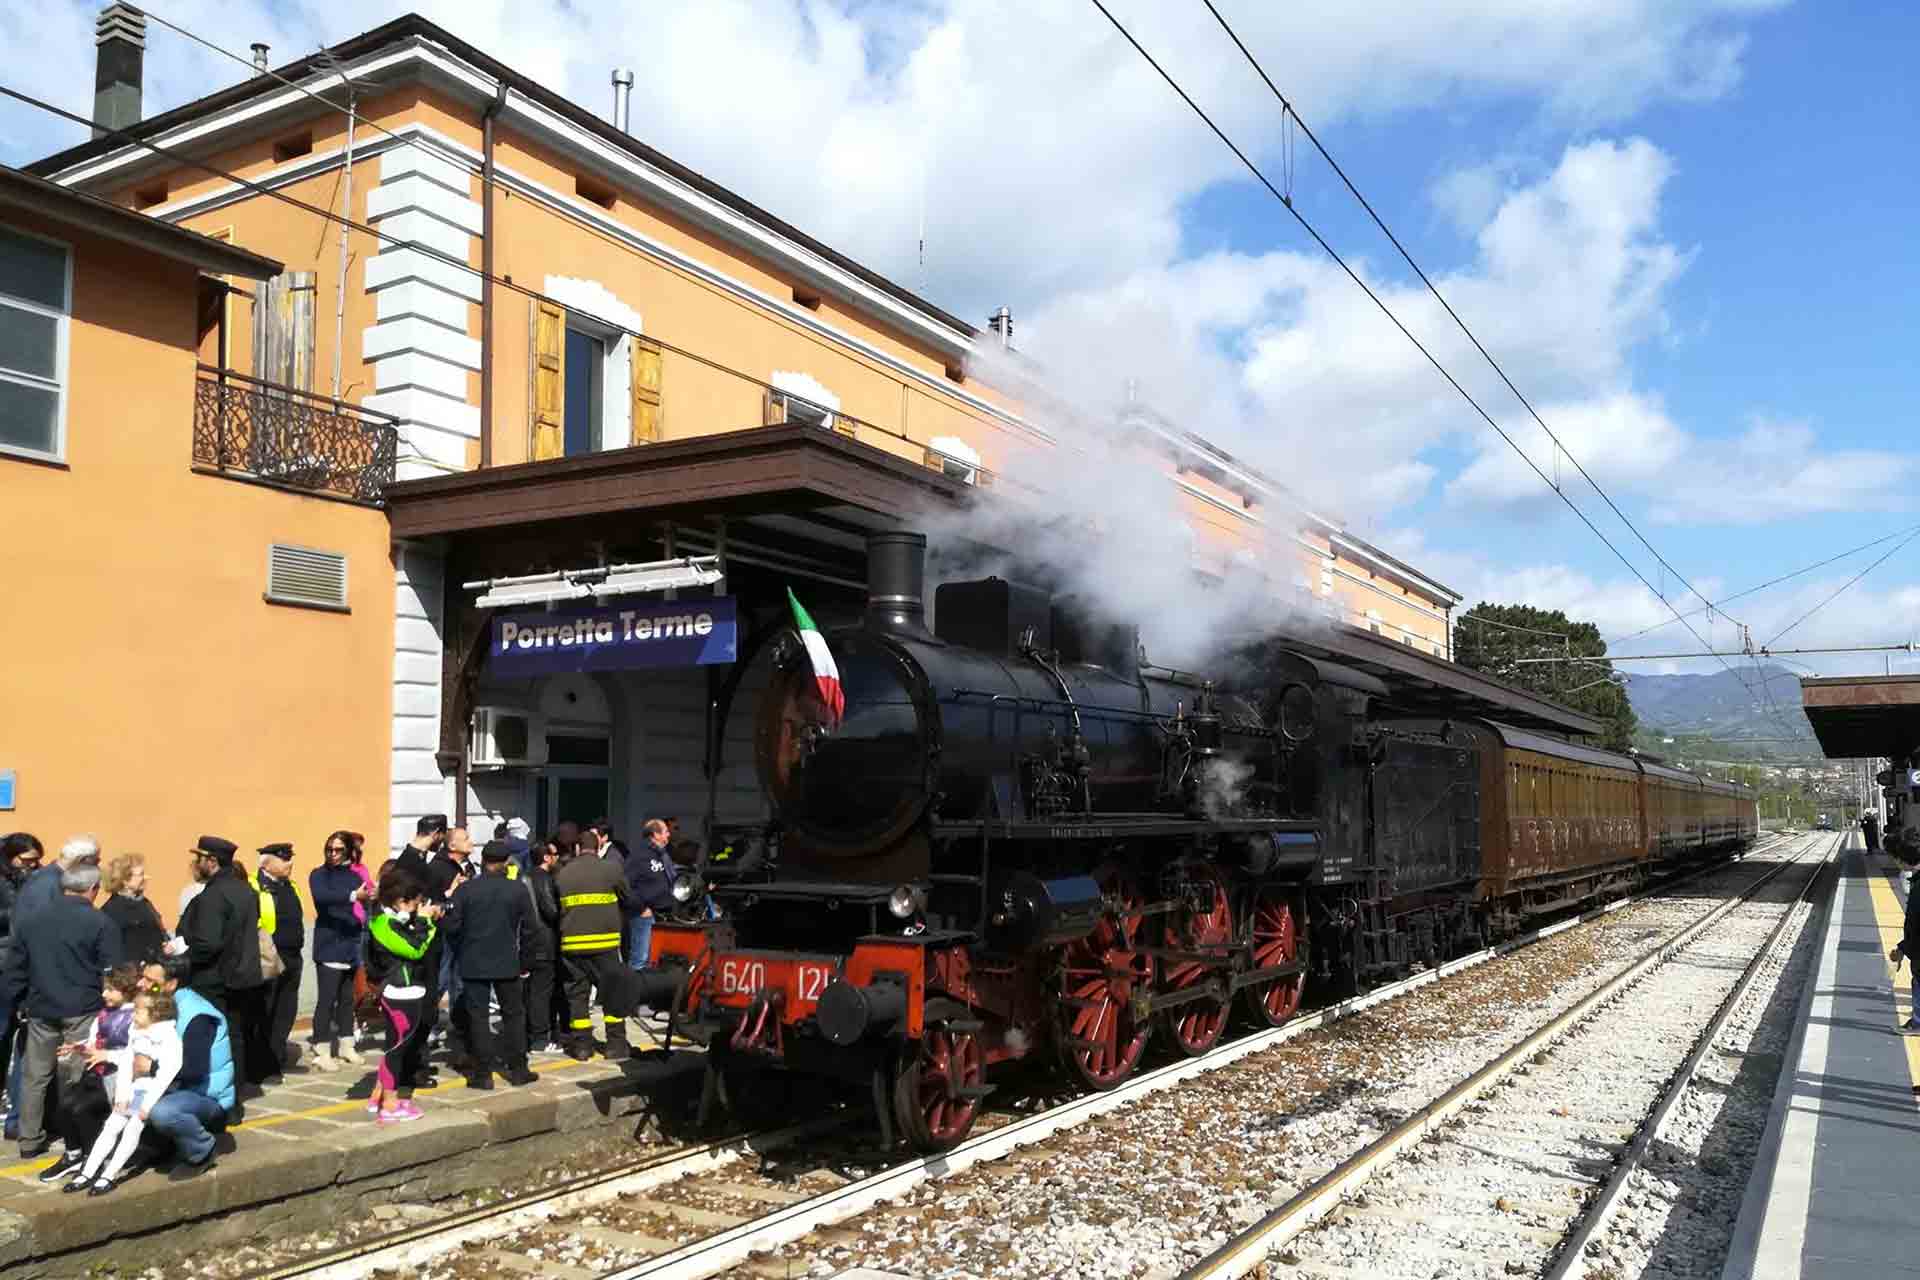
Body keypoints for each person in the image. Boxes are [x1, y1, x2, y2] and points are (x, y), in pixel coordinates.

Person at [6, 863, 121, 1159]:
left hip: (41, 1006)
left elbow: (15, 969)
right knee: (78, 1073)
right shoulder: (100, 922)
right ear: (93, 889)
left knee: (35, 1075)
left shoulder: (32, 921)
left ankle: (29, 1139)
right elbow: (113, 971)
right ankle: (80, 1136)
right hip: (82, 1007)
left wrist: (16, 1002)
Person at [64, 987, 180, 1196]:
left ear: (155, 1014)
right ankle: (88, 1171)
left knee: (132, 1128)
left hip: (154, 1090)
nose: (133, 1015)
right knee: (111, 1125)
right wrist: (122, 1095)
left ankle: (109, 1174)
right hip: (136, 1087)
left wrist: (147, 1105)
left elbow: (167, 1073)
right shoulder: (135, 1032)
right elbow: (127, 1063)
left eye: (138, 1011)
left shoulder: (168, 1037)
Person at [171, 836, 264, 1090]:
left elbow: (208, 944)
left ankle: (222, 1098)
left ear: (211, 861)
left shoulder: (212, 896)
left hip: (214, 979)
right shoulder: (246, 891)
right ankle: (236, 1090)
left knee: (216, 1039)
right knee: (235, 1036)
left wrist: (180, 958)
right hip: (242, 976)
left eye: (199, 858)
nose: (195, 863)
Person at [445, 841, 537, 1089]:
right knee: (514, 1015)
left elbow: (451, 927)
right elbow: (530, 929)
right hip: (508, 961)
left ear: (483, 860)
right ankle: (518, 1069)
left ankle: (483, 1073)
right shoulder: (517, 890)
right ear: (506, 862)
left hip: (474, 961)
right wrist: (526, 961)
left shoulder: (466, 891)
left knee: (478, 1017)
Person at [37, 963, 140, 1185]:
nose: (104, 994)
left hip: (118, 1081)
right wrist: (79, 1047)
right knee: (64, 1106)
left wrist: (108, 1056)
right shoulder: (104, 1014)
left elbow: (135, 1054)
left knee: (83, 1109)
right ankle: (73, 1154)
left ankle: (93, 1157)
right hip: (95, 1074)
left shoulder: (136, 1017)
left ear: (127, 990)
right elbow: (94, 1042)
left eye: (111, 989)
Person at [141, 956, 232, 1177]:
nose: (141, 985)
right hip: (177, 1088)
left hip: (206, 1097)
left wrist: (151, 1068)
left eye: (150, 980)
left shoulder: (196, 1016)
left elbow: (194, 1070)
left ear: (172, 984)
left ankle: (202, 1150)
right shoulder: (161, 1004)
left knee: (162, 1112)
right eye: (142, 978)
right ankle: (158, 1147)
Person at [556, 831, 634, 1061]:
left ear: (578, 848)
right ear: (598, 846)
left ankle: (582, 1046)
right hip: (605, 945)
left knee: (578, 996)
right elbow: (627, 897)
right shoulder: (611, 869)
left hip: (572, 946)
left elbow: (555, 909)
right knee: (612, 993)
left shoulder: (562, 873)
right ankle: (616, 1044)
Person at [365, 870, 435, 1125]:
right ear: (400, 900)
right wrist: (426, 923)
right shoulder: (383, 923)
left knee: (395, 1045)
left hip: (406, 990)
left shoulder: (394, 919)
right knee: (397, 1049)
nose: (418, 907)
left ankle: (379, 1095)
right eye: (415, 902)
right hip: (399, 992)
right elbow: (415, 949)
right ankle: (391, 1104)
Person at [309, 832, 369, 1072]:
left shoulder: (354, 876)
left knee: (346, 1000)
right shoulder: (319, 875)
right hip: (329, 943)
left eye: (338, 850)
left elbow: (365, 898)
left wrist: (370, 897)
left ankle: (346, 1044)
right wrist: (354, 896)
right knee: (327, 999)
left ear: (348, 852)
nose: (333, 854)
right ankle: (321, 1048)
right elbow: (323, 898)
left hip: (350, 943)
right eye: (329, 849)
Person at [0, 833, 44, 1119]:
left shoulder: (29, 878)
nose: (33, 866)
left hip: (21, 965)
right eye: (28, 860)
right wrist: (20, 911)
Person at [256, 844, 304, 1080]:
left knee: (286, 1009)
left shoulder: (290, 886)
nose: (289, 863)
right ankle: (264, 1064)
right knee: (268, 1010)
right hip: (271, 957)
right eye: (283, 859)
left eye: (289, 859)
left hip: (293, 956)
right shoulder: (256, 886)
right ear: (266, 863)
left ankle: (277, 1056)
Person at [523, 839, 562, 1053]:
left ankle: (533, 1034)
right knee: (541, 992)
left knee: (531, 991)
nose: (557, 858)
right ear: (546, 858)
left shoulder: (524, 877)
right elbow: (551, 911)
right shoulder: (544, 879)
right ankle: (539, 1038)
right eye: (554, 854)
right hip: (544, 942)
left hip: (529, 941)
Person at [625, 820, 675, 975]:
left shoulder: (663, 855)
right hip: (645, 916)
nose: (669, 835)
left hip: (664, 915)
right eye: (666, 831)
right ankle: (634, 996)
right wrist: (641, 908)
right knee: (640, 959)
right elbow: (625, 885)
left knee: (657, 959)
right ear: (656, 835)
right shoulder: (640, 856)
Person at [100, 855, 168, 966]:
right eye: (141, 874)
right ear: (125, 881)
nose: (146, 877)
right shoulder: (113, 910)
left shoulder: (144, 902)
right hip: (131, 975)